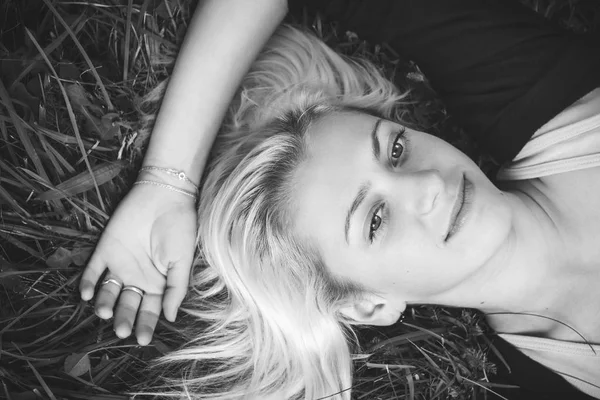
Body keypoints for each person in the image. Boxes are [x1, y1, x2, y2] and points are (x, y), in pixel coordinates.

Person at [79, 0, 600, 399]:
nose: (428, 186)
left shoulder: (539, 88)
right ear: (369, 304)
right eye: (374, 221)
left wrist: (166, 183)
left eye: (396, 149)